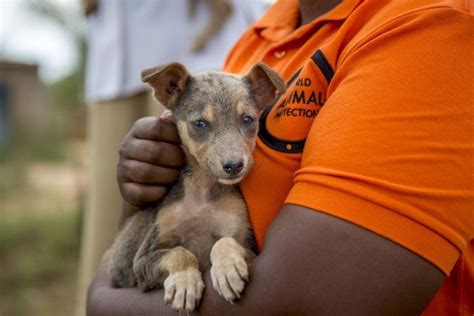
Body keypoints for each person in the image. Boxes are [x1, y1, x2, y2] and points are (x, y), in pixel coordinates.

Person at [87, 0, 473, 315]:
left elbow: (307, 300)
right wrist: (148, 176)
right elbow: (139, 244)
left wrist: (102, 302)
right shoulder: (262, 31)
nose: (232, 152)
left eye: (247, 123)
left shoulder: (428, 27)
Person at [77, 0, 266, 314]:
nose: (233, 155)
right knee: (113, 226)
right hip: (117, 50)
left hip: (205, 33)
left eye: (248, 122)